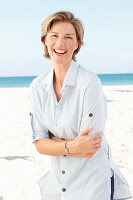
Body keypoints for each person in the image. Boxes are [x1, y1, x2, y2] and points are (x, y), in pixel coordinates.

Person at [30, 11, 132, 200]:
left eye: (68, 37)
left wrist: (53, 141)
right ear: (45, 40)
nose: (60, 43)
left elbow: (88, 149)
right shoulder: (37, 86)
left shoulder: (89, 82)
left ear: (77, 44)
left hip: (92, 186)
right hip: (57, 186)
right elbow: (39, 145)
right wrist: (71, 145)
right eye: (54, 36)